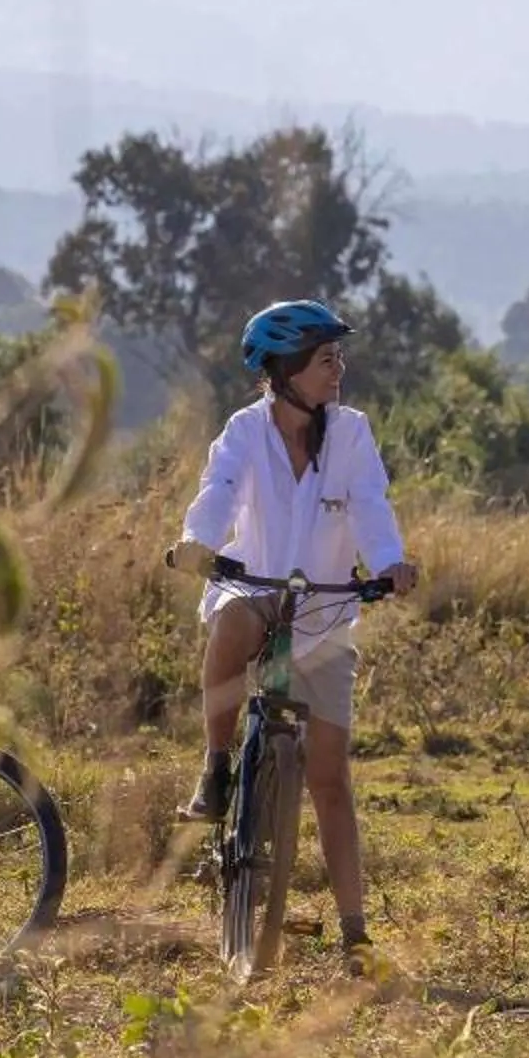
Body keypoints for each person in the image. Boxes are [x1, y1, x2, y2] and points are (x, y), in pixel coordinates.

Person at [172, 299, 419, 967]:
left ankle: (356, 932)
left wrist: (390, 561)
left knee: (331, 776)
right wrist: (197, 542)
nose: (338, 370)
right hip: (252, 588)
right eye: (325, 360)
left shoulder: (353, 433)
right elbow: (219, 489)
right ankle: (217, 765)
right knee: (228, 623)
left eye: (339, 358)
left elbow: (370, 502)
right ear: (283, 371)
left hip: (326, 613)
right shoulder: (244, 432)